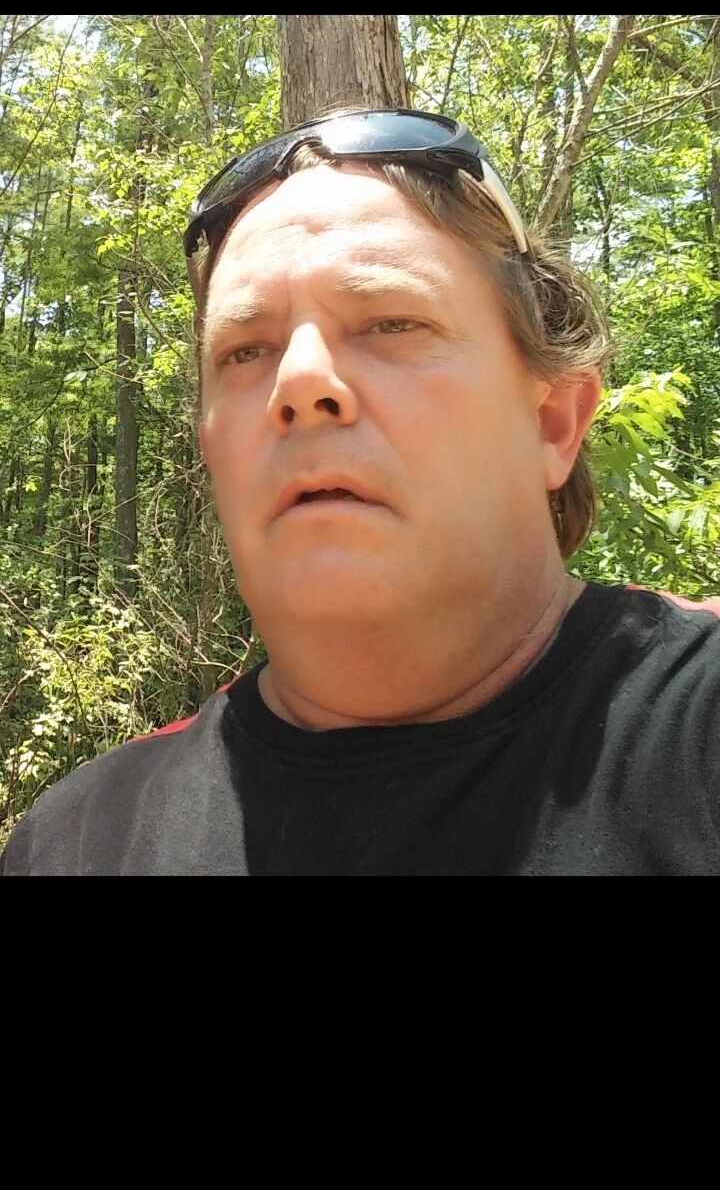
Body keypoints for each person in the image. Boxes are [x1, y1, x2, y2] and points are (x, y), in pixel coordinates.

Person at [2, 107, 719, 876]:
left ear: (552, 421)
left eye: (391, 324)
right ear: (212, 450)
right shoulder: (75, 842)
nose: (299, 380)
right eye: (246, 351)